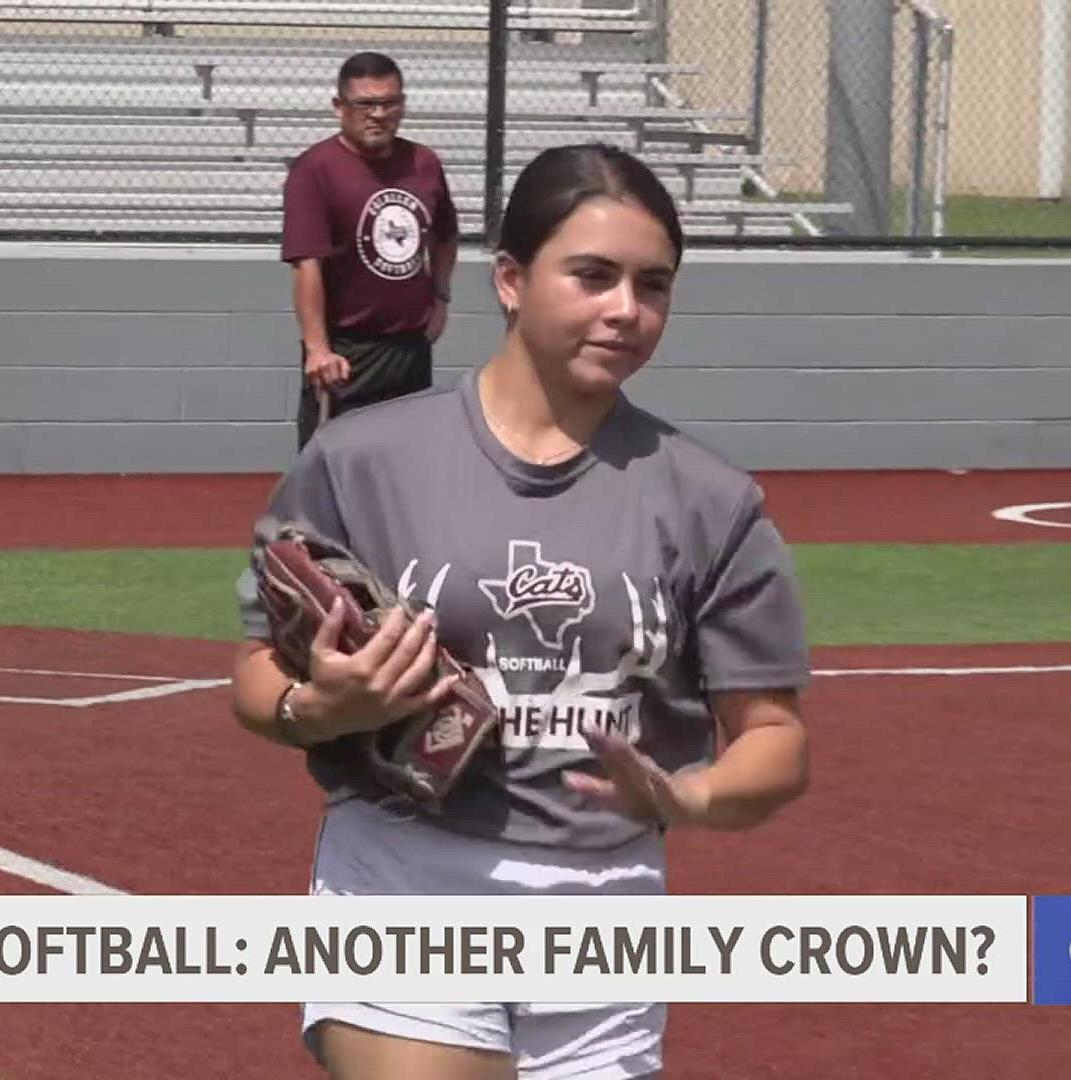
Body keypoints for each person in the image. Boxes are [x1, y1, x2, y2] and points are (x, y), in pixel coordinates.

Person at [233, 143, 811, 1080]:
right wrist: (322, 709)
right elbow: (259, 671)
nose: (626, 310)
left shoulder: (713, 502)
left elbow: (774, 736)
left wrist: (690, 796)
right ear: (509, 279)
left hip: (610, 900)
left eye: (653, 285)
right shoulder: (364, 462)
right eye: (592, 276)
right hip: (408, 871)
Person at [281, 51, 461, 451]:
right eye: (365, 104)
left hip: (410, 349)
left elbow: (445, 236)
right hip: (346, 355)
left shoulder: (424, 163)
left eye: (389, 102)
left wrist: (441, 297)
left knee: (407, 469)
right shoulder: (315, 170)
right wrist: (317, 349)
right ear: (339, 108)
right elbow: (306, 263)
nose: (378, 114)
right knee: (331, 472)